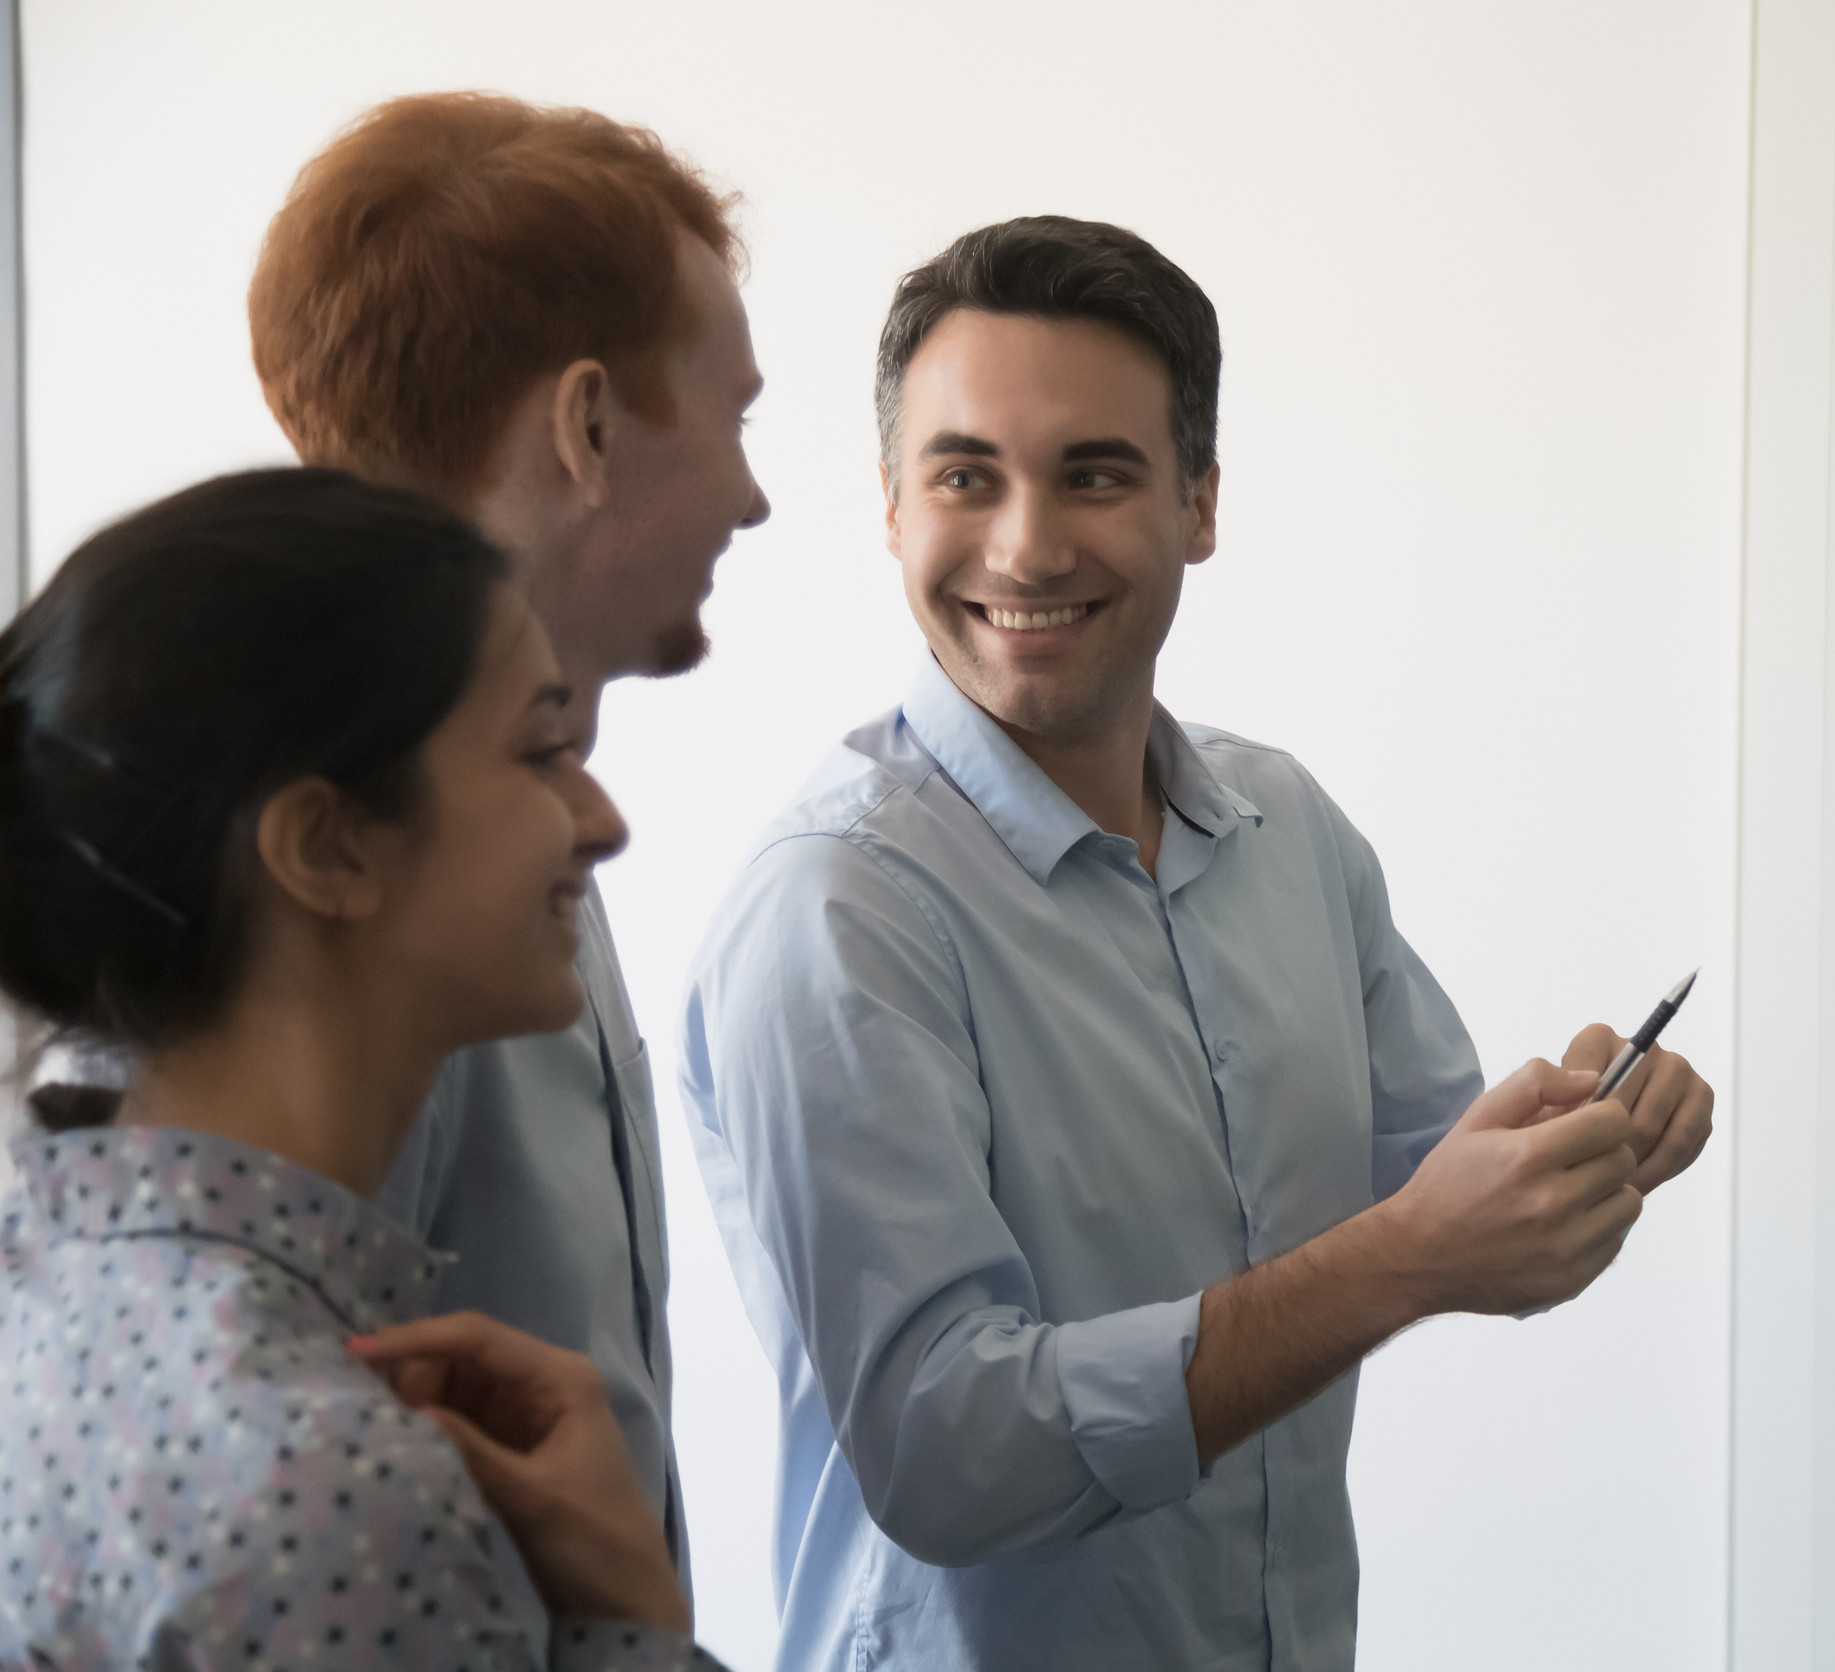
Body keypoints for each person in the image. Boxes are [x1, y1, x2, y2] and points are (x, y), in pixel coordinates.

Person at [680, 216, 1717, 1671]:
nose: (1026, 545)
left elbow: (1435, 1194)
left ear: (1201, 503)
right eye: (966, 476)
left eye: (1094, 474)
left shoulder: (1287, 830)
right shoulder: (837, 904)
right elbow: (946, 1451)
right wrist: (1411, 1257)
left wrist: (1581, 1143)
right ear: (893, 509)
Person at [0, 468, 722, 1665]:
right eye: (542, 750)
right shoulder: (330, 1493)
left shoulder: (56, 1298)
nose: (602, 820)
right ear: (329, 846)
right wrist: (631, 1619)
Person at [242, 92, 772, 1579]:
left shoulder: (498, 809)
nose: (753, 496)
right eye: (732, 419)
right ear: (587, 426)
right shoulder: (358, 871)